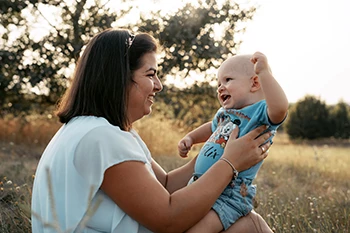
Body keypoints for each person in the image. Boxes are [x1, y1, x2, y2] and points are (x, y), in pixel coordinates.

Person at [31, 28, 274, 233]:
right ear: (119, 78)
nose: (158, 86)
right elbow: (168, 219)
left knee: (245, 223)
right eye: (150, 74)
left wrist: (216, 152)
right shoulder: (99, 137)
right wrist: (230, 163)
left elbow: (166, 184)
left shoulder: (104, 130)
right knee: (248, 225)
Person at [178, 52, 288, 233]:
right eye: (218, 83)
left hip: (229, 193)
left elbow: (280, 108)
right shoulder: (224, 113)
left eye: (228, 80)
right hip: (203, 184)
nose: (220, 87)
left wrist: (264, 73)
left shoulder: (259, 112)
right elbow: (211, 127)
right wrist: (191, 138)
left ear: (254, 83)